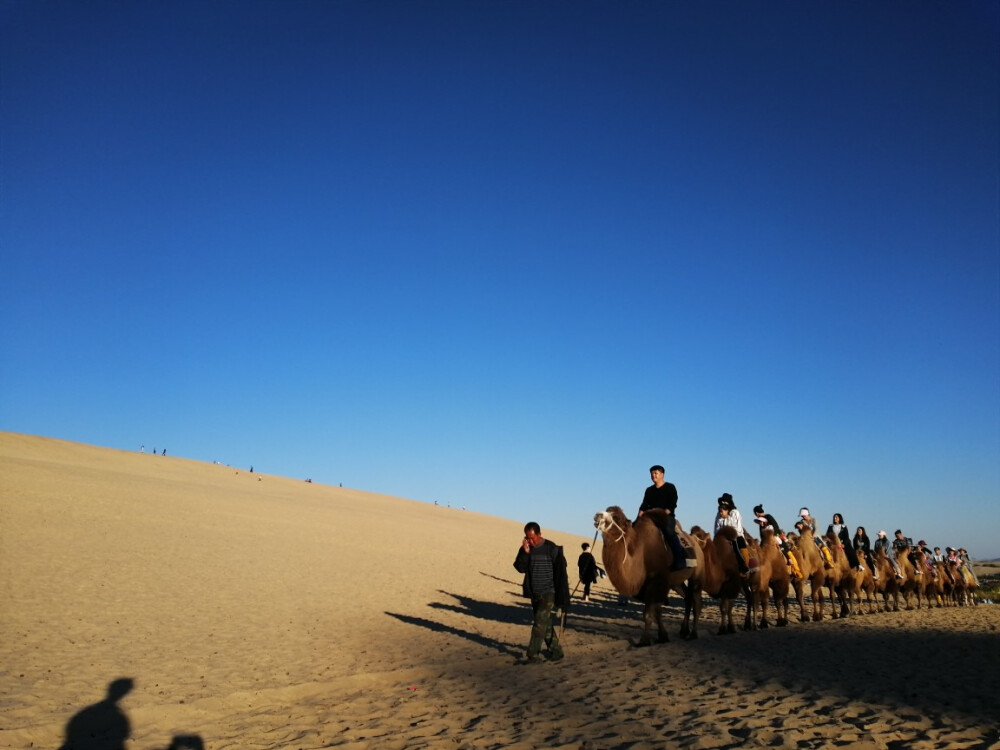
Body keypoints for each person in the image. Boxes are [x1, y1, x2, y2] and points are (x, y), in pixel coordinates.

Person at [513, 522, 569, 664]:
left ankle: (533, 654)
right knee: (546, 623)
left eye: (532, 538)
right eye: (527, 538)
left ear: (539, 534)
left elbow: (561, 573)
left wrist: (562, 597)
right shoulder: (527, 549)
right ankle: (556, 652)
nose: (530, 541)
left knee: (539, 624)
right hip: (534, 593)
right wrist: (524, 553)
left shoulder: (551, 548)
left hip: (549, 592)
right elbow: (520, 568)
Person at [637, 464, 686, 571]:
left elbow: (672, 503)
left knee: (669, 532)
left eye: (656, 473)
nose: (653, 475)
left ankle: (680, 560)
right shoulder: (649, 490)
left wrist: (664, 513)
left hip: (666, 517)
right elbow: (645, 504)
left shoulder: (670, 487)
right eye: (652, 473)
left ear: (662, 474)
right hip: (650, 518)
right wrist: (640, 513)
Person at [753, 504, 801, 579]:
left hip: (775, 537)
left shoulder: (768, 517)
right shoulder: (761, 521)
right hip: (767, 540)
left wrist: (776, 537)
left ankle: (795, 569)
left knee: (786, 551)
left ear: (756, 513)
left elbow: (776, 528)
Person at [715, 493, 750, 575]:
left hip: (736, 536)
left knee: (737, 547)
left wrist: (729, 534)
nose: (723, 503)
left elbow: (737, 528)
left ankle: (743, 567)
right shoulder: (719, 514)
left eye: (725, 501)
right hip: (722, 538)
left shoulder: (735, 513)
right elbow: (716, 527)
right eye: (722, 501)